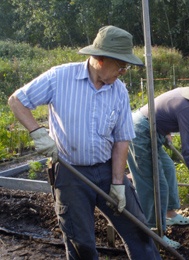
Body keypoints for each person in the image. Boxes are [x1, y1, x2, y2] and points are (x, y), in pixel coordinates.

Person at [8, 25, 161, 260]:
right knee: (82, 245)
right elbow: (17, 100)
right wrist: (37, 132)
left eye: (126, 67)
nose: (123, 72)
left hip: (107, 170)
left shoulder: (118, 91)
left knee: (139, 232)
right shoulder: (59, 78)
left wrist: (118, 183)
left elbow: (121, 139)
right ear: (100, 59)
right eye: (121, 66)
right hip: (71, 175)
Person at [127, 73, 189, 248]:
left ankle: (169, 214)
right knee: (155, 185)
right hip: (140, 133)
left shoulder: (184, 95)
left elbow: (163, 109)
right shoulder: (188, 110)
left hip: (152, 130)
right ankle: (154, 230)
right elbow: (188, 152)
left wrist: (165, 130)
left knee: (168, 169)